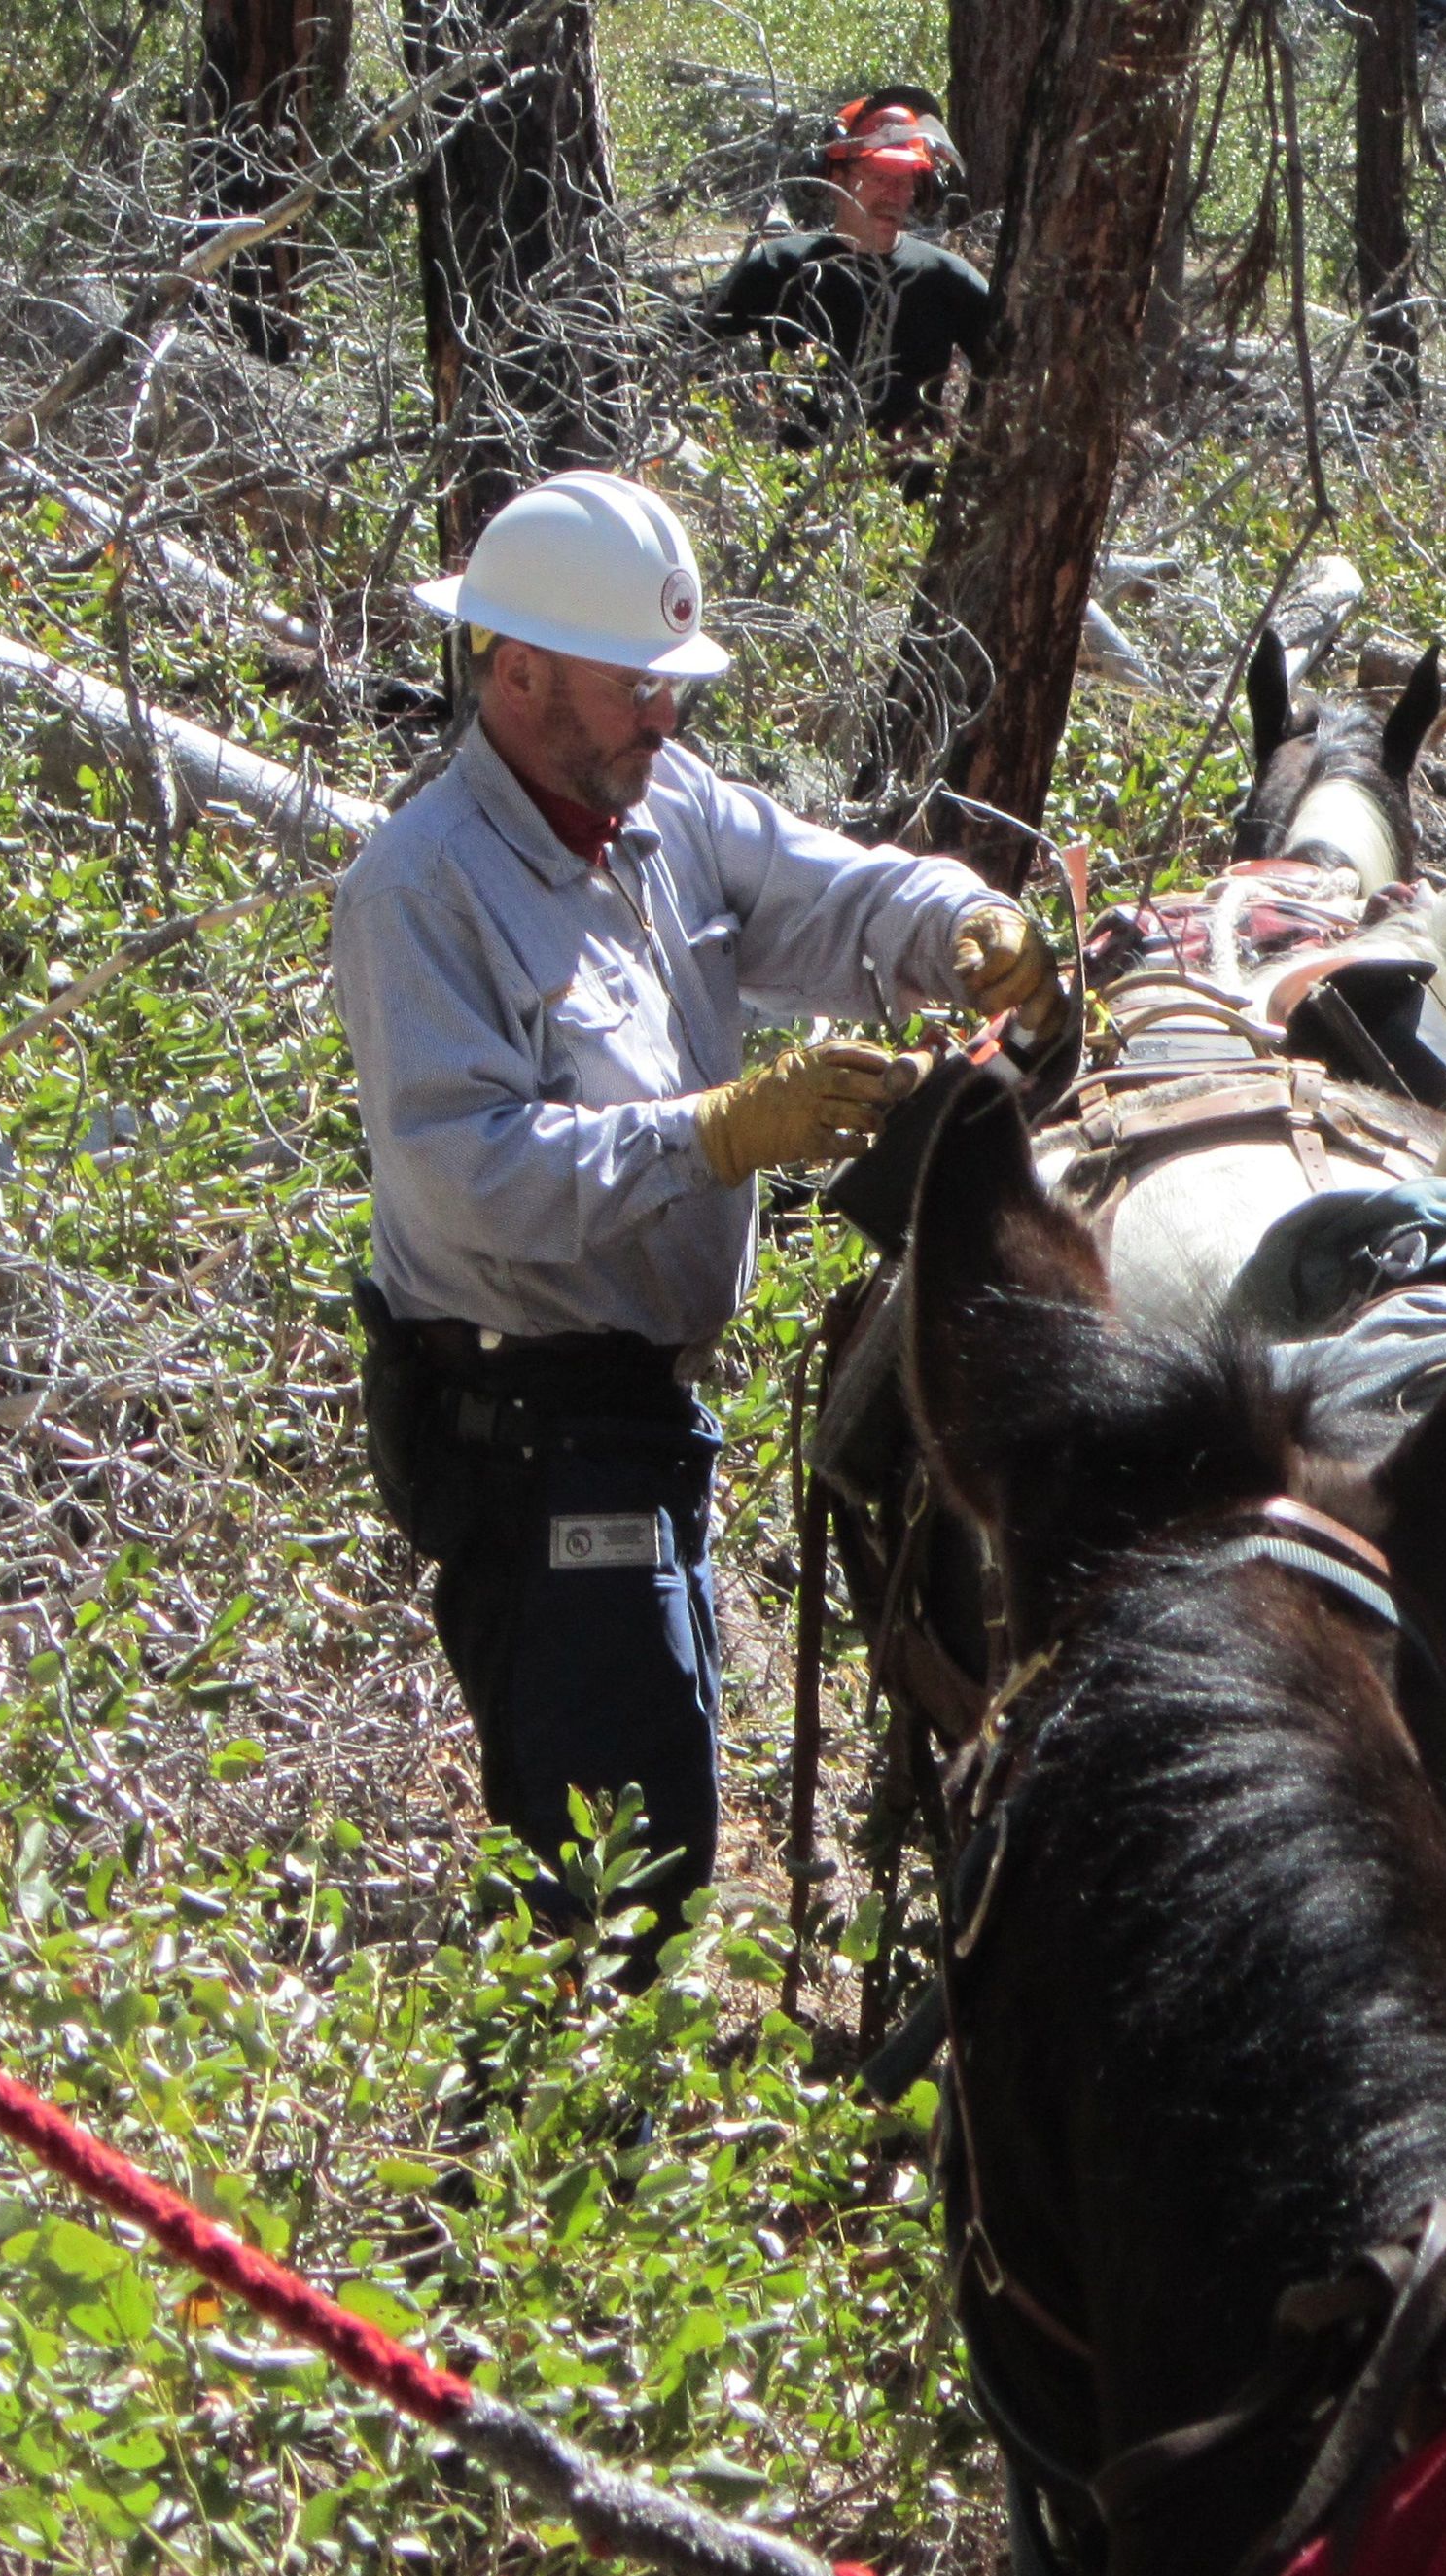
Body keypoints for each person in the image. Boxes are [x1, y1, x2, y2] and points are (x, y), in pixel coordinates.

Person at [333, 468, 1063, 1982]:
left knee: (648, 1805)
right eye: (629, 689)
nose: (660, 719)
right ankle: (538, 2164)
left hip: (635, 1419)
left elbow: (838, 897)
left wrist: (960, 926)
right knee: (616, 1860)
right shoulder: (422, 890)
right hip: (525, 1429)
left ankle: (579, 2130)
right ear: (514, 670)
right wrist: (721, 1131)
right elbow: (463, 1174)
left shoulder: (666, 813)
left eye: (672, 688)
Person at [695, 88, 993, 473]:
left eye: (905, 180)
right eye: (879, 176)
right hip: (799, 504)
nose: (894, 194)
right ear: (836, 175)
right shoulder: (783, 266)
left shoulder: (948, 280)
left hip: (910, 515)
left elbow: (1019, 372)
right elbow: (674, 339)